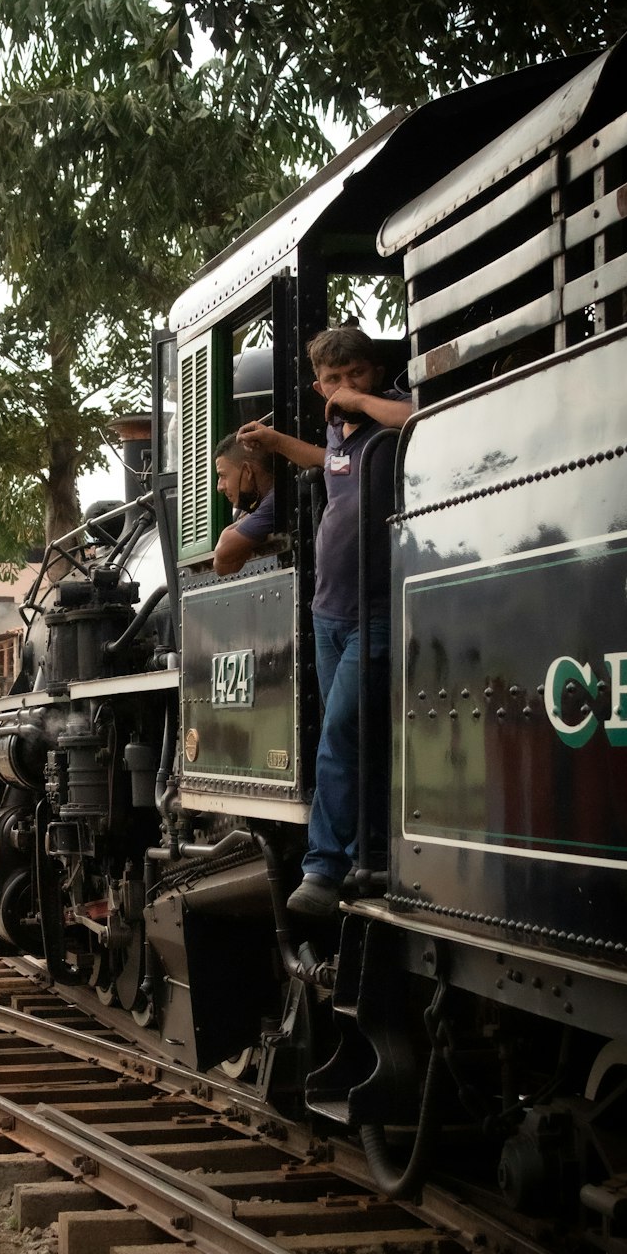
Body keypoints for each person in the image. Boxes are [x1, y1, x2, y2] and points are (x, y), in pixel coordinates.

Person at [237, 324, 411, 914]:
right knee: (349, 734)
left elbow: (419, 418)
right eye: (333, 381)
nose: (344, 389)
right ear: (319, 386)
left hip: (377, 610)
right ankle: (365, 851)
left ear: (375, 374)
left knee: (340, 730)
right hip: (329, 610)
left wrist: (363, 402)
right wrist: (275, 440)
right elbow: (325, 462)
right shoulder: (340, 434)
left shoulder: (394, 425)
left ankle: (324, 867)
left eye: (355, 376)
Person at [212, 432, 276, 575]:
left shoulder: (274, 501)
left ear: (247, 471)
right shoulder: (258, 503)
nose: (220, 487)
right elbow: (224, 567)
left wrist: (228, 531)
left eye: (223, 476)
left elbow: (223, 552)